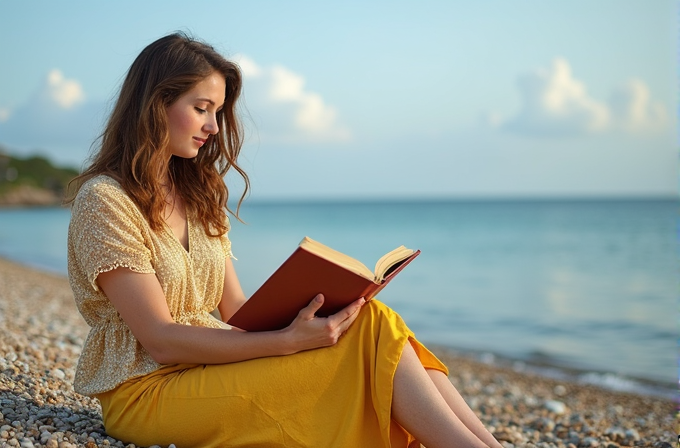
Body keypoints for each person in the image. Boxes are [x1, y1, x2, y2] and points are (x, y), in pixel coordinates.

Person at [65, 32, 503, 448]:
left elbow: (235, 312)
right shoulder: (105, 200)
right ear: (156, 104)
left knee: (372, 318)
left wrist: (314, 315)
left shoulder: (199, 198)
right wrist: (286, 343)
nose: (215, 127)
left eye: (218, 112)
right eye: (202, 108)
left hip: (208, 368)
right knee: (369, 340)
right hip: (146, 392)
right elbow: (160, 339)